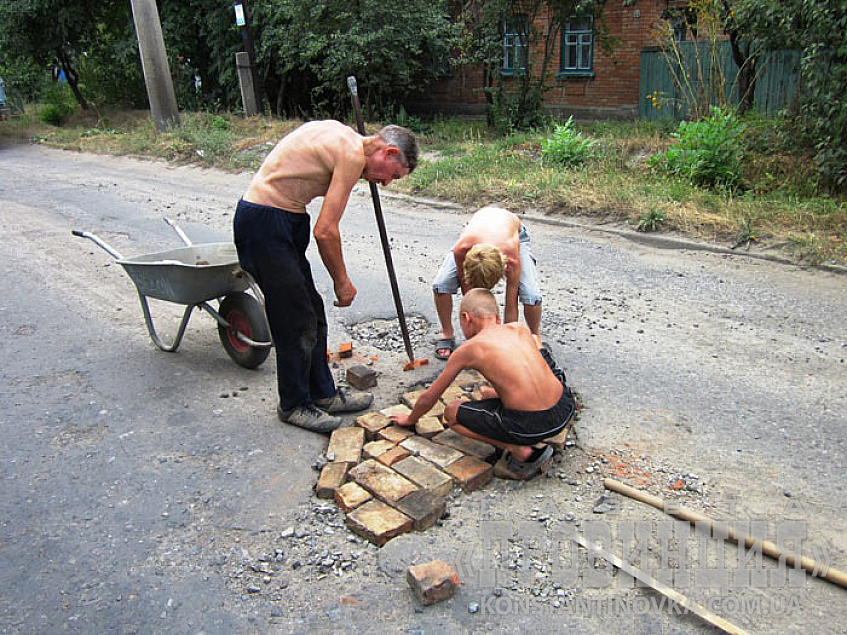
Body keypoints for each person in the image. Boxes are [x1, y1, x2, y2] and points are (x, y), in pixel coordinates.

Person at [234, 120, 418, 432]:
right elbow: (326, 231)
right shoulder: (351, 154)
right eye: (392, 175)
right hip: (264, 223)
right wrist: (342, 281)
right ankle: (293, 404)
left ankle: (322, 394)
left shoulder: (347, 138)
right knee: (294, 320)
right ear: (388, 152)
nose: (385, 183)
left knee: (313, 315)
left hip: (285, 219)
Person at [392, 289, 575, 479]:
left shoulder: (469, 349)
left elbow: (430, 397)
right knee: (494, 387)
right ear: (496, 317)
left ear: (466, 318)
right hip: (564, 408)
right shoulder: (520, 328)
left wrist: (410, 419)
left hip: (530, 426)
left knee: (452, 413)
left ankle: (518, 450)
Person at [431, 206, 542, 359]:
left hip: (515, 234)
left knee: (532, 296)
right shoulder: (461, 249)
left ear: (504, 267)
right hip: (475, 232)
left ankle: (535, 337)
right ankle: (447, 334)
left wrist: (506, 343)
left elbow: (511, 303)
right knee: (440, 285)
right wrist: (477, 334)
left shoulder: (511, 258)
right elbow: (470, 295)